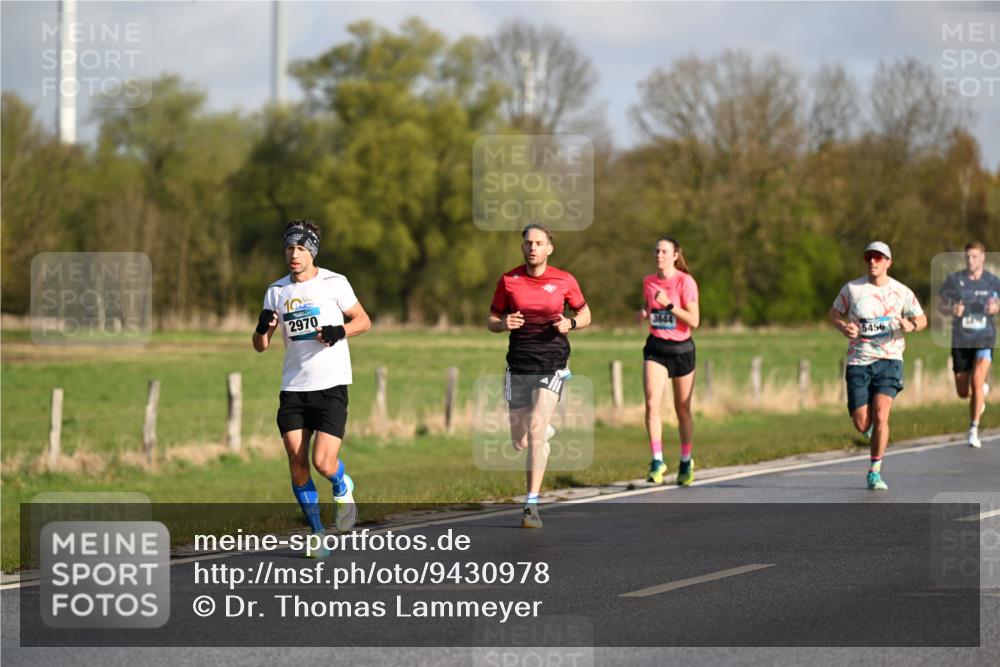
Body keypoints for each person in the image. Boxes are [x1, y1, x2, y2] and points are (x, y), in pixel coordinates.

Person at [253, 220, 371, 556]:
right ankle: (317, 533)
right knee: (296, 462)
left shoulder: (335, 283)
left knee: (322, 462)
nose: (293, 254)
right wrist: (262, 327)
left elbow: (363, 320)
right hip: (293, 387)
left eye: (301, 248)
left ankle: (341, 483)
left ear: (312, 252)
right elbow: (260, 346)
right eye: (290, 247)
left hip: (331, 385)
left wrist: (339, 331)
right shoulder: (276, 291)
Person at [488, 223, 591, 528]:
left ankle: (531, 505)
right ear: (523, 247)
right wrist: (504, 322)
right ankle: (542, 432)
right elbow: (491, 320)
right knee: (520, 441)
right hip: (518, 363)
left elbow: (585, 314)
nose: (533, 247)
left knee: (534, 430)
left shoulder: (564, 280)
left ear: (549, 248)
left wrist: (570, 324)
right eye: (528, 243)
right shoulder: (509, 280)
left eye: (539, 243)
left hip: (552, 363)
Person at [829, 241, 926, 491]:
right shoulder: (852, 288)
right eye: (869, 257)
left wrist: (911, 326)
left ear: (888, 262)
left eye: (879, 257)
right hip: (859, 361)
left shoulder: (901, 291)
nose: (873, 261)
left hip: (890, 359)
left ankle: (875, 471)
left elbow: (922, 318)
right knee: (862, 423)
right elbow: (834, 313)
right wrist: (844, 328)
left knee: (882, 414)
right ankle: (869, 429)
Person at [635, 237, 700, 486]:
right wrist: (644, 312)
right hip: (656, 347)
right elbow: (651, 307)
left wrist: (669, 304)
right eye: (656, 251)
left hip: (682, 349)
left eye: (664, 251)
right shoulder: (649, 282)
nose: (659, 255)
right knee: (652, 404)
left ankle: (685, 460)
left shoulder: (686, 282)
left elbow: (694, 321)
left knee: (682, 409)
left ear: (675, 255)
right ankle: (657, 460)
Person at [939, 241, 1000, 448]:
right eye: (967, 257)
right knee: (963, 392)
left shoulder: (993, 281)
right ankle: (979, 392)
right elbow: (942, 306)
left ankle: (973, 429)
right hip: (961, 340)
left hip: (984, 338)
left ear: (983, 257)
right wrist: (951, 311)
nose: (970, 260)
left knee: (976, 380)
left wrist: (996, 307)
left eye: (974, 256)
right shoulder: (955, 280)